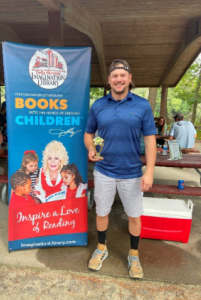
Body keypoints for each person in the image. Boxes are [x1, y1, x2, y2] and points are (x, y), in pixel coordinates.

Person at [84, 59, 157, 279]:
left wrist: (150, 171)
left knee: (134, 216)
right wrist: (90, 148)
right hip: (104, 169)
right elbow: (89, 133)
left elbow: (150, 139)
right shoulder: (98, 105)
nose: (118, 79)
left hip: (132, 172)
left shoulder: (142, 105)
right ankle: (102, 248)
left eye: (122, 75)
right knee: (101, 212)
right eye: (114, 76)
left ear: (129, 78)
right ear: (109, 80)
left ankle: (133, 254)